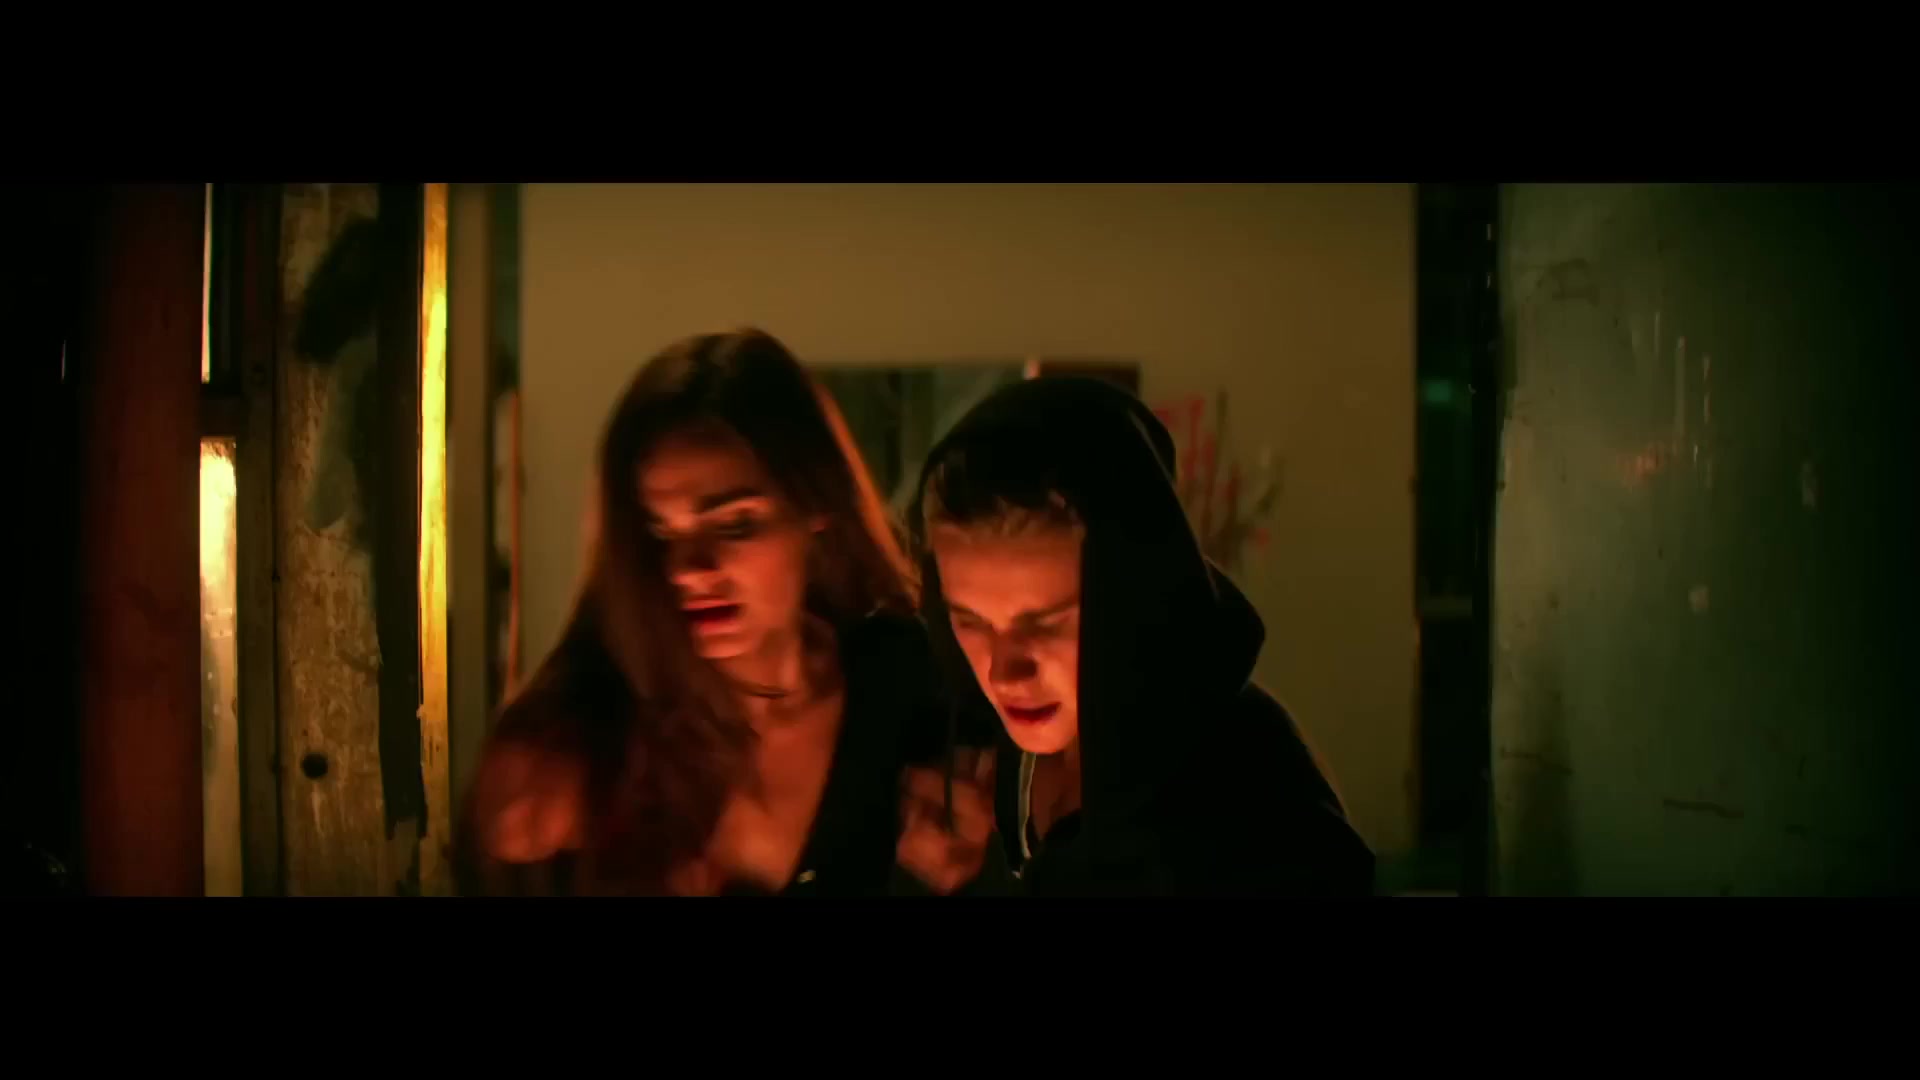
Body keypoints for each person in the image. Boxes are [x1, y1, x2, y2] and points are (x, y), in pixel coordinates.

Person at [459, 329, 955, 896]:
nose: (690, 570)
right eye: (662, 532)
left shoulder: (903, 684)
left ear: (815, 506)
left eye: (735, 524)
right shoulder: (583, 738)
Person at [896, 376, 1375, 896]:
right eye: (972, 622)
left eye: (1047, 623)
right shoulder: (1002, 754)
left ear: (1135, 596)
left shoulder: (1249, 809)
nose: (1004, 671)